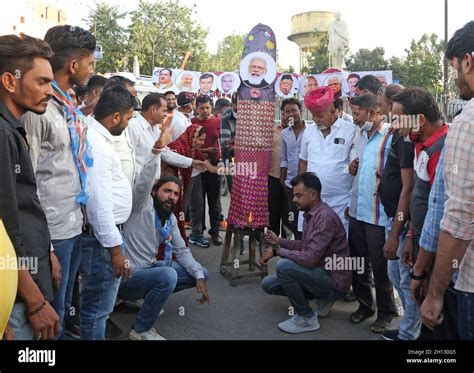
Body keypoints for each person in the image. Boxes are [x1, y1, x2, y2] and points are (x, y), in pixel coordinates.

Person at [22, 25, 95, 340]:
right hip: (53, 234)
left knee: (64, 307)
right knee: (49, 314)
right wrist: (46, 246)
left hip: (74, 222)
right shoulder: (38, 112)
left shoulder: (68, 106)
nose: (93, 70)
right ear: (74, 66)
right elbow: (27, 182)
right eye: (90, 63)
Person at [0, 34, 60, 340]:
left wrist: (46, 250)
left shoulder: (11, 128)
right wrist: (35, 303)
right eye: (43, 82)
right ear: (11, 82)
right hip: (18, 296)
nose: (51, 92)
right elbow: (6, 229)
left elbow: (24, 208)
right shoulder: (2, 133)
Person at [421, 22, 474, 340]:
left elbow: (459, 221)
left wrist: (436, 292)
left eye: (455, 69)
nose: (455, 80)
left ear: (468, 61)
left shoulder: (467, 124)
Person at [388, 88, 448, 341]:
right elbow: (421, 202)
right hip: (422, 244)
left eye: (397, 120)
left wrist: (421, 270)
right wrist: (410, 234)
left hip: (439, 256)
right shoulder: (419, 144)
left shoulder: (442, 151)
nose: (393, 127)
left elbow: (440, 219)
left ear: (419, 120)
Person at [121, 176, 210, 340]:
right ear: (154, 191)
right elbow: (142, 185)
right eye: (167, 191)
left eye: (176, 194)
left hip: (148, 269)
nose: (171, 197)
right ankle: (140, 330)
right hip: (126, 276)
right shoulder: (141, 206)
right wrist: (155, 153)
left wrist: (199, 276)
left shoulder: (171, 218)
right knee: (168, 276)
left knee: (201, 272)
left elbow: (181, 251)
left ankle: (147, 298)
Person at [261, 173, 351, 333]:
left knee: (284, 266)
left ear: (313, 195)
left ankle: (306, 317)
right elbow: (305, 245)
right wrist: (279, 241)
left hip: (334, 281)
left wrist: (277, 252)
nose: (294, 199)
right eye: (294, 195)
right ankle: (322, 299)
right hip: (321, 272)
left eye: (298, 195)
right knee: (268, 285)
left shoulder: (324, 218)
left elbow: (309, 259)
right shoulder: (310, 214)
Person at [80, 86, 135, 340]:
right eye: (128, 118)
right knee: (97, 311)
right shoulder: (99, 146)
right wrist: (115, 250)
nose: (127, 124)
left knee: (96, 309)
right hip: (102, 241)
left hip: (102, 238)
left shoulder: (94, 135)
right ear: (115, 117)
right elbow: (99, 204)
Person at [347, 94, 397, 334]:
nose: (354, 118)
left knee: (380, 267)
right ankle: (365, 305)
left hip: (378, 214)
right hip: (358, 209)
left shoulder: (390, 136)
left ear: (372, 112)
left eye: (357, 113)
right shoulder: (358, 134)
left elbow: (396, 173)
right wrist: (352, 166)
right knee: (358, 263)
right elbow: (355, 164)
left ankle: (386, 312)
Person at [299, 87, 355, 234]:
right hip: (312, 201)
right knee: (311, 245)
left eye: (320, 115)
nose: (316, 119)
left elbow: (355, 167)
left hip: (341, 202)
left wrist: (351, 202)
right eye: (314, 116)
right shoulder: (308, 131)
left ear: (332, 110)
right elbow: (303, 162)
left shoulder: (350, 130)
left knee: (338, 245)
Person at [190, 96, 222, 247]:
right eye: (202, 108)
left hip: (214, 166)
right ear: (196, 108)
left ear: (211, 107)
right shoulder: (191, 123)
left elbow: (222, 142)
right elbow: (190, 145)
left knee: (215, 202)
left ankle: (215, 232)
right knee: (198, 202)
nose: (205, 111)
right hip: (197, 166)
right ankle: (198, 232)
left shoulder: (217, 122)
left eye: (207, 107)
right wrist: (205, 150)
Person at [280, 98, 312, 240]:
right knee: (292, 217)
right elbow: (284, 158)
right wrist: (282, 178)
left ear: (301, 111)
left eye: (294, 110)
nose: (291, 114)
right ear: (284, 115)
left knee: (309, 216)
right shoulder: (284, 134)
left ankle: (309, 246)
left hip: (309, 183)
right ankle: (297, 245)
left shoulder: (311, 130)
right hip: (290, 183)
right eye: (287, 112)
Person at [220, 93, 238, 193]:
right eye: (235, 108)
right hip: (230, 156)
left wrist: (235, 141)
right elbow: (225, 144)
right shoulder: (227, 114)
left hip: (249, 158)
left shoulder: (251, 114)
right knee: (233, 189)